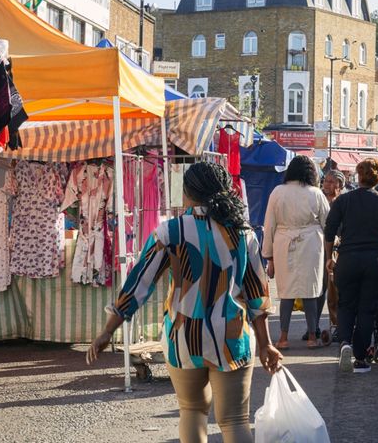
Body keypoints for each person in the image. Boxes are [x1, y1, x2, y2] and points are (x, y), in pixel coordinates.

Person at [86, 162, 281, 443]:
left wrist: (108, 329)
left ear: (188, 194)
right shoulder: (242, 233)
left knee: (192, 411)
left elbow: (139, 283)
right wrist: (266, 344)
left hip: (183, 337)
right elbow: (256, 294)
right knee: (235, 420)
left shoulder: (170, 232)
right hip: (232, 336)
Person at [325, 157, 378, 373]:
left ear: (358, 176)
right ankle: (361, 358)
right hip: (375, 261)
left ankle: (344, 343)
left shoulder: (343, 201)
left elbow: (329, 229)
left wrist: (329, 257)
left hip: (348, 260)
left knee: (346, 305)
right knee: (367, 309)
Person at [262, 155, 329, 350]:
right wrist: (330, 253)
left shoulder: (277, 192)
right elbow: (328, 224)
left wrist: (269, 256)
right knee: (310, 291)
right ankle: (311, 337)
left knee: (286, 292)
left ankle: (283, 338)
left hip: (283, 243)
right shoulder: (316, 193)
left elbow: (269, 225)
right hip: (311, 244)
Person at [315, 170, 345, 341]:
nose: (327, 184)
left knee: (335, 293)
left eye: (332, 181)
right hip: (319, 250)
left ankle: (337, 325)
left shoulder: (341, 203)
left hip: (336, 251)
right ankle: (314, 326)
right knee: (318, 291)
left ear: (340, 185)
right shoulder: (319, 201)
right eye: (326, 181)